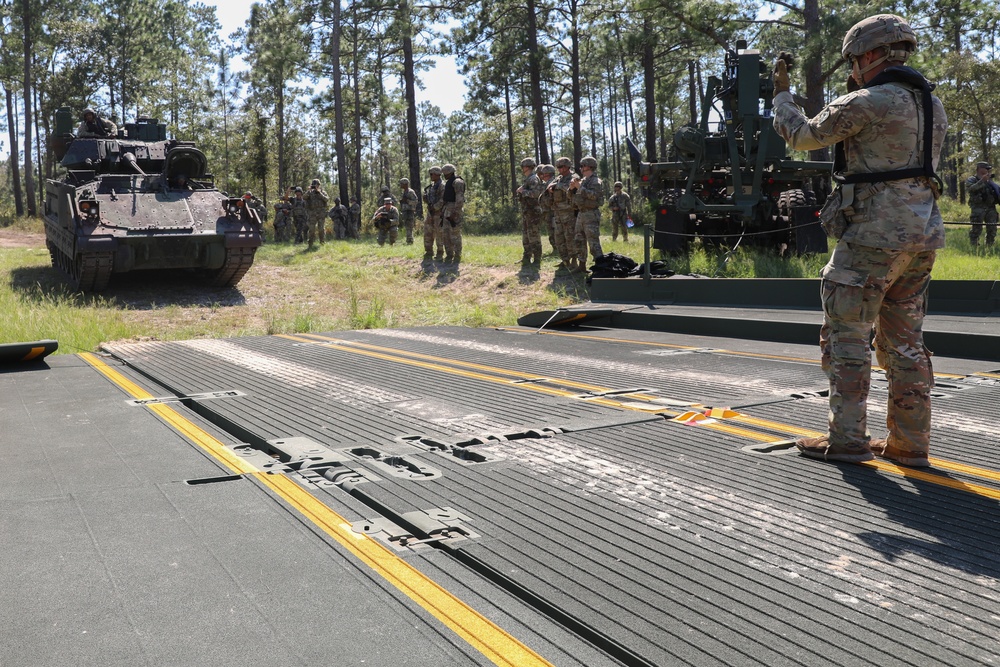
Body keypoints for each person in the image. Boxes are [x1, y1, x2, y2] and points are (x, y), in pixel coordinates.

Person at [772, 14, 947, 467]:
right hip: (921, 237)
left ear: (871, 54)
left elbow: (803, 136)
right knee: (906, 343)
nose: (852, 70)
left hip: (872, 235)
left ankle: (847, 441)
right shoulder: (932, 104)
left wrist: (782, 98)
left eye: (853, 61)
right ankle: (911, 445)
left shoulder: (868, 100)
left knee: (847, 336)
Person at [571, 156, 604, 270]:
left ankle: (600, 267)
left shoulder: (596, 181)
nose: (581, 168)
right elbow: (574, 197)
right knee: (579, 240)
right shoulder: (583, 181)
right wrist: (571, 189)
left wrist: (580, 187)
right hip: (581, 213)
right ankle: (582, 265)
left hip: (591, 214)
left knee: (593, 242)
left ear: (589, 166)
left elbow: (594, 196)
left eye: (582, 166)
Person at [547, 157, 580, 271]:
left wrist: (558, 186)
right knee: (559, 238)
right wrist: (551, 187)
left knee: (570, 237)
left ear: (567, 166)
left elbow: (572, 189)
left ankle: (574, 260)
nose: (559, 169)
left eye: (561, 167)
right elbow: (550, 186)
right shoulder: (559, 178)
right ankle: (565, 260)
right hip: (557, 212)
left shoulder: (574, 178)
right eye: (558, 167)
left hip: (569, 212)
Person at [516, 158, 545, 267]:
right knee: (526, 235)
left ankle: (537, 258)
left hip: (533, 211)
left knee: (534, 235)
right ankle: (527, 257)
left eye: (523, 166)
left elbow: (536, 193)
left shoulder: (533, 179)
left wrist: (523, 191)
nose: (522, 169)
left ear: (527, 167)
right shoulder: (529, 179)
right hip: (527, 211)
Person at [966, 161, 999, 247]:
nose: (988, 170)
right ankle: (974, 247)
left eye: (988, 169)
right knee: (976, 229)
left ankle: (990, 246)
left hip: (990, 208)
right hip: (978, 208)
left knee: (992, 228)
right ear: (979, 169)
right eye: (985, 168)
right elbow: (971, 189)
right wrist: (982, 181)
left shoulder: (990, 182)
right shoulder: (972, 179)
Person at [440, 164, 466, 264]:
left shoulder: (457, 182)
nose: (444, 175)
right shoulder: (449, 182)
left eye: (445, 173)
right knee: (446, 233)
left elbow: (459, 200)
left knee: (455, 233)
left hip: (454, 210)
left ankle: (457, 255)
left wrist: (455, 213)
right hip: (447, 209)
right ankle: (449, 255)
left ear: (449, 172)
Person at [422, 166, 446, 260]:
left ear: (437, 174)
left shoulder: (442, 185)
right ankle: (428, 251)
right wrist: (426, 200)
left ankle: (440, 252)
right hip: (430, 213)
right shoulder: (432, 186)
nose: (430, 176)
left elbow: (443, 200)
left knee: (439, 232)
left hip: (438, 213)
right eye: (430, 174)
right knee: (428, 231)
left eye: (432, 174)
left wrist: (435, 207)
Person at [536, 165, 558, 257]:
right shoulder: (546, 184)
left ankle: (557, 250)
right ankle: (555, 250)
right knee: (551, 232)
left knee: (554, 232)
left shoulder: (552, 183)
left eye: (544, 174)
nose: (542, 176)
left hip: (552, 212)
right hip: (547, 211)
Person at [303, 179, 329, 249]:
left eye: (317, 185)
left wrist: (319, 193)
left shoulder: (323, 192)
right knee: (311, 229)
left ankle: (322, 242)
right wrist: (308, 190)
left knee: (321, 229)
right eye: (314, 185)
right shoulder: (309, 192)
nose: (315, 186)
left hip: (321, 213)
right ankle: (310, 243)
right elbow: (304, 197)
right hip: (312, 213)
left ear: (319, 185)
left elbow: (326, 199)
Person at [398, 178, 419, 245]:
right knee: (407, 226)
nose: (400, 185)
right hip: (405, 211)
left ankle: (410, 241)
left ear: (405, 184)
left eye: (401, 183)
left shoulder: (410, 192)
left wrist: (407, 201)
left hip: (409, 211)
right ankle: (409, 239)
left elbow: (415, 201)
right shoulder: (404, 192)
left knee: (409, 226)